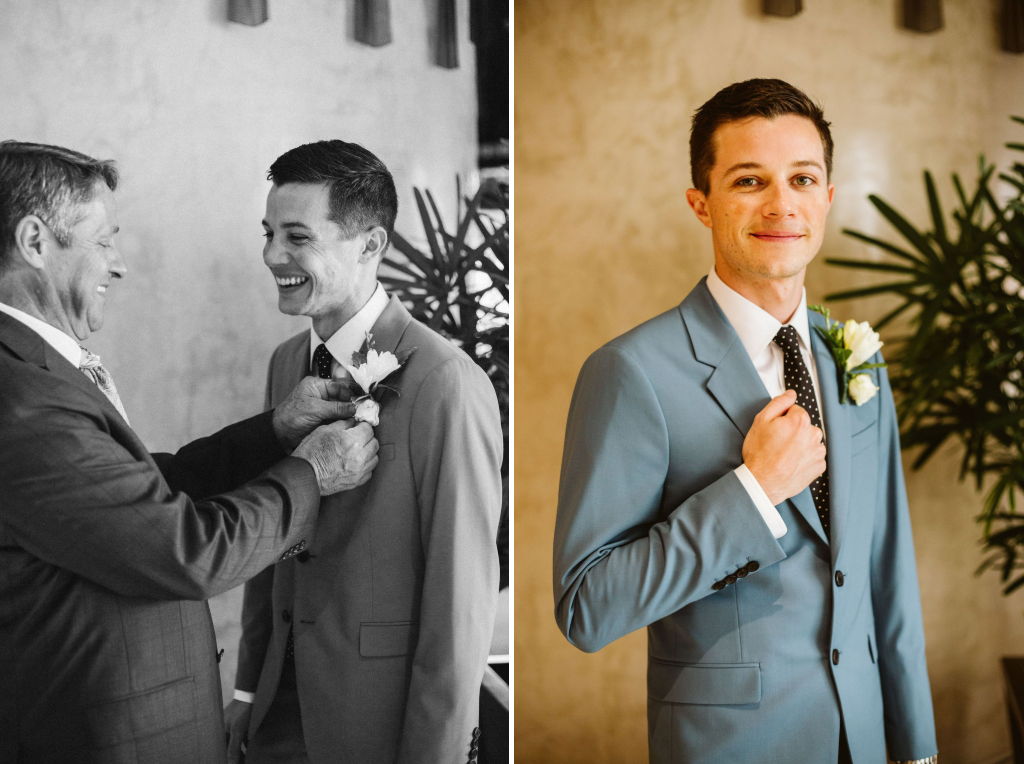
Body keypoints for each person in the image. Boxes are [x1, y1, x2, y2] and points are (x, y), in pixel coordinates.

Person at [552, 80, 938, 764]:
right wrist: (753, 493)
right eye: (749, 180)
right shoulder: (629, 372)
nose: (781, 204)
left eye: (801, 178)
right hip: (734, 745)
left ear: (827, 196)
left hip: (868, 738)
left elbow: (888, 573)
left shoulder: (858, 361)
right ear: (701, 203)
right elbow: (586, 606)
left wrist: (917, 746)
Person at [0, 140, 380, 763]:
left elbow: (138, 488)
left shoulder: (35, 373)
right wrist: (311, 473)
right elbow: (187, 551)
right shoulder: (22, 399)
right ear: (36, 242)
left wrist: (274, 433)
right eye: (103, 241)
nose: (117, 264)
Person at [223, 140, 503, 764]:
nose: (273, 256)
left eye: (297, 237)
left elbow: (461, 595)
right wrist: (247, 686)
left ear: (370, 245)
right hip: (275, 711)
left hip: (380, 717)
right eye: (268, 233)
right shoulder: (286, 364)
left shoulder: (444, 379)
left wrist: (437, 753)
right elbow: (273, 532)